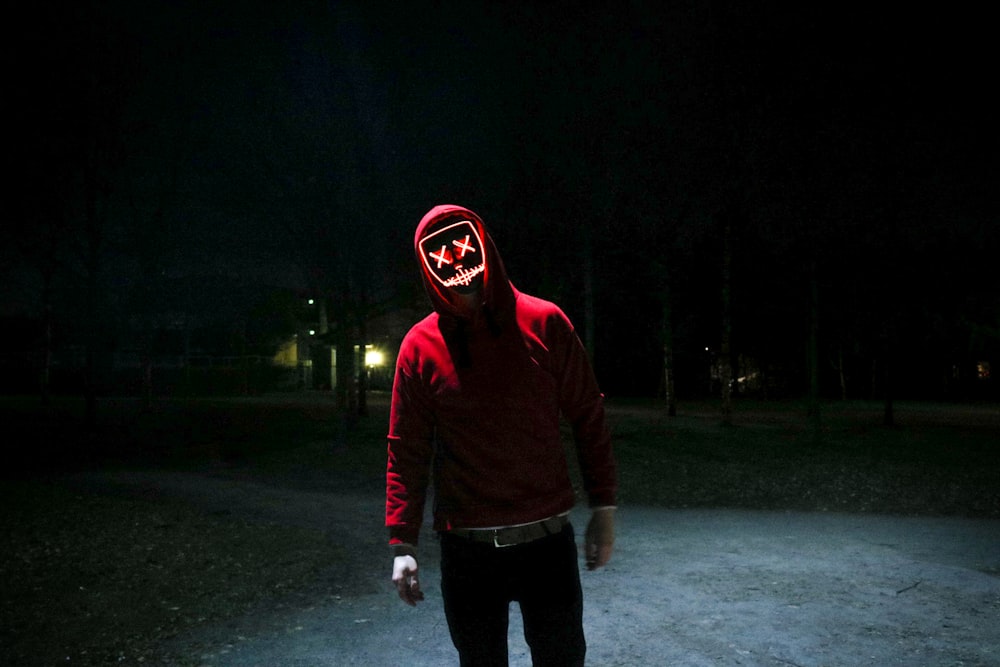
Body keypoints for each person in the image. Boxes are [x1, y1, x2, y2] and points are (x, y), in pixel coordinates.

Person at [385, 204, 617, 666]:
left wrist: (604, 506)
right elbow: (405, 447)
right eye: (438, 254)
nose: (454, 261)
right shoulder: (419, 346)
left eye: (461, 244)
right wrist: (402, 543)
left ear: (483, 244)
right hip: (468, 552)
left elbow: (589, 415)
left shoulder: (545, 322)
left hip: (546, 542)